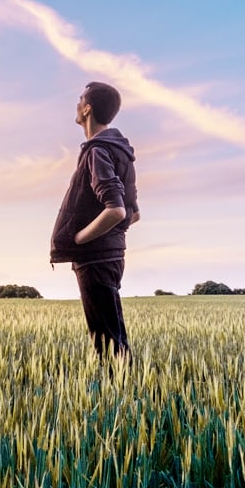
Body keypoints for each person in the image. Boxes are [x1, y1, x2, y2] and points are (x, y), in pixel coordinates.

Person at [50, 81, 139, 360]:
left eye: (80, 100)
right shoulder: (120, 151)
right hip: (112, 255)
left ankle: (121, 398)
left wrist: (79, 239)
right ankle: (127, 392)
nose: (76, 105)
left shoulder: (97, 151)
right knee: (114, 336)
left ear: (87, 108)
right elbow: (134, 213)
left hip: (95, 258)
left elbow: (117, 211)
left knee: (106, 342)